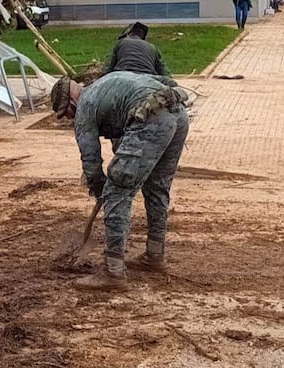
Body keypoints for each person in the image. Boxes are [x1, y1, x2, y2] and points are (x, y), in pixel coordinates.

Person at [51, 71, 189, 292]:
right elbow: (124, 133)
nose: (69, 119)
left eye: (66, 113)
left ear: (72, 100)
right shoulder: (105, 86)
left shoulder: (85, 107)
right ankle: (154, 255)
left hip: (151, 116)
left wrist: (101, 192)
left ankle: (112, 272)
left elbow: (91, 161)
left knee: (117, 193)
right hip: (177, 114)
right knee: (157, 187)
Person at [103, 22, 172, 81]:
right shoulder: (152, 47)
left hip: (123, 76)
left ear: (127, 34)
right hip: (147, 78)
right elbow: (163, 71)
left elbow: (108, 67)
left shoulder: (121, 43)